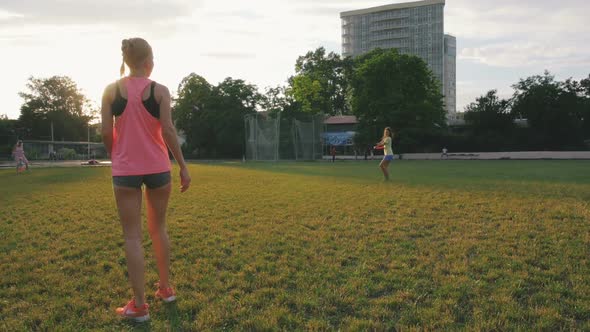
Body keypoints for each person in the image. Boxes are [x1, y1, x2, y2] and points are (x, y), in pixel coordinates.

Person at [101, 37, 191, 322]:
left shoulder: (111, 90)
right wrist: (183, 166)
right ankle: (165, 289)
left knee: (132, 236)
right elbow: (168, 130)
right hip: (158, 168)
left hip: (125, 170)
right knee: (159, 228)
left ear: (127, 61)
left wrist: (117, 153)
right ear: (149, 62)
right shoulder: (160, 90)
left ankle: (139, 307)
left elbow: (105, 131)